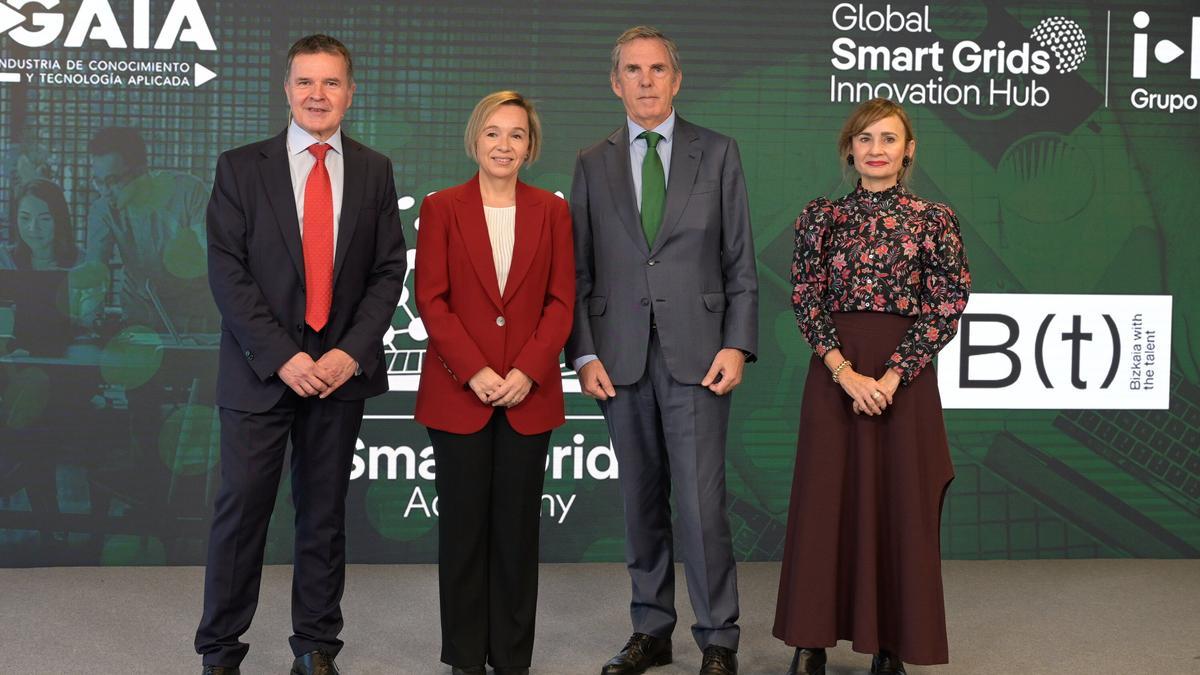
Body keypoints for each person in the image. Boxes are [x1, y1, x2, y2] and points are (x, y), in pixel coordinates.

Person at [194, 34, 407, 675]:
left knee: (323, 516)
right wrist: (282, 356)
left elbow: (387, 271)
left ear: (350, 92)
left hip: (340, 374)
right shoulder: (240, 167)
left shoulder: (374, 169)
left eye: (331, 82)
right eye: (306, 82)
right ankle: (220, 651)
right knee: (242, 513)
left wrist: (350, 353)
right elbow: (228, 271)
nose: (318, 95)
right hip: (261, 371)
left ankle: (316, 647)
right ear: (286, 90)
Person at [566, 26, 758, 675]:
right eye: (633, 70)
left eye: (656, 69)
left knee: (701, 506)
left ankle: (718, 636)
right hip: (618, 359)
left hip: (701, 357)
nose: (645, 81)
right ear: (614, 82)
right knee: (640, 501)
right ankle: (650, 629)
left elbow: (740, 260)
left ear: (677, 80)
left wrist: (737, 344)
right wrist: (584, 354)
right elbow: (578, 270)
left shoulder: (719, 152)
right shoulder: (591, 161)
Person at [773, 98, 971, 675]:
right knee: (823, 502)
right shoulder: (820, 217)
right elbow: (805, 297)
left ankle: (891, 644)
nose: (876, 149)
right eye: (865, 138)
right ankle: (810, 641)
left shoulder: (934, 219)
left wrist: (892, 374)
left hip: (904, 380)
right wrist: (845, 373)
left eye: (888, 138)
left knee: (898, 504)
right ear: (849, 149)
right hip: (834, 372)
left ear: (908, 151)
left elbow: (948, 299)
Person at [414, 90, 574, 675]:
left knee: (516, 535)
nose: (504, 145)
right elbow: (431, 300)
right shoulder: (441, 207)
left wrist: (527, 371)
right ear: (475, 140)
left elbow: (561, 302)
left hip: (529, 396)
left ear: (530, 147)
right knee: (462, 533)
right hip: (459, 393)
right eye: (493, 133)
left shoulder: (552, 210)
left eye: (516, 135)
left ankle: (510, 659)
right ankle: (464, 658)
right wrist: (476, 371)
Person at [84, 126, 213, 331]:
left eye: (112, 181)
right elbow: (94, 271)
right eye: (99, 182)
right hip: (139, 318)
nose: (105, 191)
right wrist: (92, 324)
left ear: (141, 171)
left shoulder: (189, 193)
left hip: (196, 319)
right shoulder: (103, 209)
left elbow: (214, 261)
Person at [10, 179, 80, 270]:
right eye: (25, 218)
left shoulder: (83, 263)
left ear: (60, 220)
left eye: (44, 219)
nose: (33, 228)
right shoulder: (4, 260)